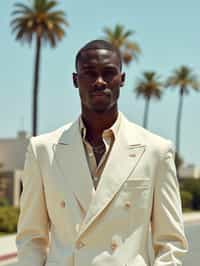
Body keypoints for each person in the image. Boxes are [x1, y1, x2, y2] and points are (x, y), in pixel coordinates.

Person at [16, 40, 188, 266]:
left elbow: (171, 243)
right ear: (75, 80)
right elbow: (31, 239)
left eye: (108, 73)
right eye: (89, 74)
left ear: (122, 79)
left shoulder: (156, 151)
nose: (99, 82)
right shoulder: (43, 151)